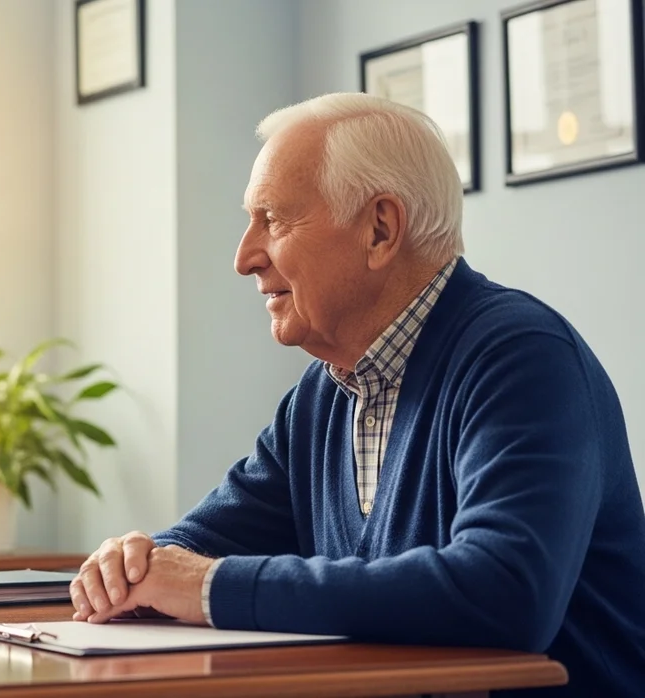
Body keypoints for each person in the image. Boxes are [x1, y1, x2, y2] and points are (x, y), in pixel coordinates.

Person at [69, 93, 645, 695]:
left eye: (274, 219)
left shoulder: (522, 357)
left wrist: (206, 587)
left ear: (380, 228)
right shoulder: (323, 393)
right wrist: (134, 567)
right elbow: (203, 544)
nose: (244, 257)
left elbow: (506, 591)